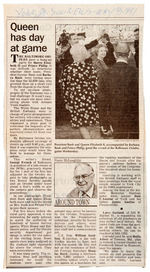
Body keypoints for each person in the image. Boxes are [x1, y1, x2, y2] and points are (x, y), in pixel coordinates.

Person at [97, 42, 139, 139]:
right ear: (129, 54)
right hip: (135, 120)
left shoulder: (106, 73)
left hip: (115, 119)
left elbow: (101, 100)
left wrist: (104, 123)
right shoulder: (137, 73)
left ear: (115, 55)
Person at [61, 44, 100, 139]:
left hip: (75, 99)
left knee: (81, 124)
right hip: (90, 99)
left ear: (73, 54)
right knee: (91, 123)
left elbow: (65, 87)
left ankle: (88, 143)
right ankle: (91, 143)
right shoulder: (90, 68)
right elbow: (96, 85)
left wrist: (67, 102)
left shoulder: (68, 69)